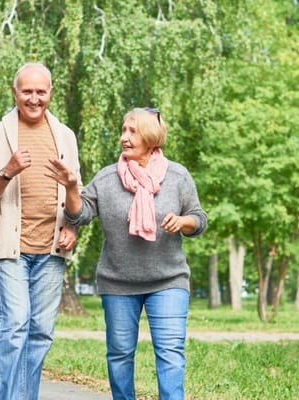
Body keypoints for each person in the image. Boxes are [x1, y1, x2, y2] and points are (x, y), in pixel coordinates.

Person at [45, 107, 208, 400]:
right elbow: (79, 213)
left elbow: (199, 218)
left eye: (132, 131)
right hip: (118, 283)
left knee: (170, 353)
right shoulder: (108, 179)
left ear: (150, 136)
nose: (124, 137)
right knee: (120, 354)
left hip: (168, 281)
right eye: (123, 130)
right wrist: (71, 187)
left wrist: (183, 222)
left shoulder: (177, 176)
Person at [0, 62, 82, 400]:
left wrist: (73, 225)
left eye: (41, 92)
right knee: (15, 326)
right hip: (11, 247)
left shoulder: (64, 135)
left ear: (50, 92)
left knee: (41, 333)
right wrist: (7, 171)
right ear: (14, 92)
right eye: (27, 92)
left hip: (52, 250)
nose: (34, 99)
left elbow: (76, 199)